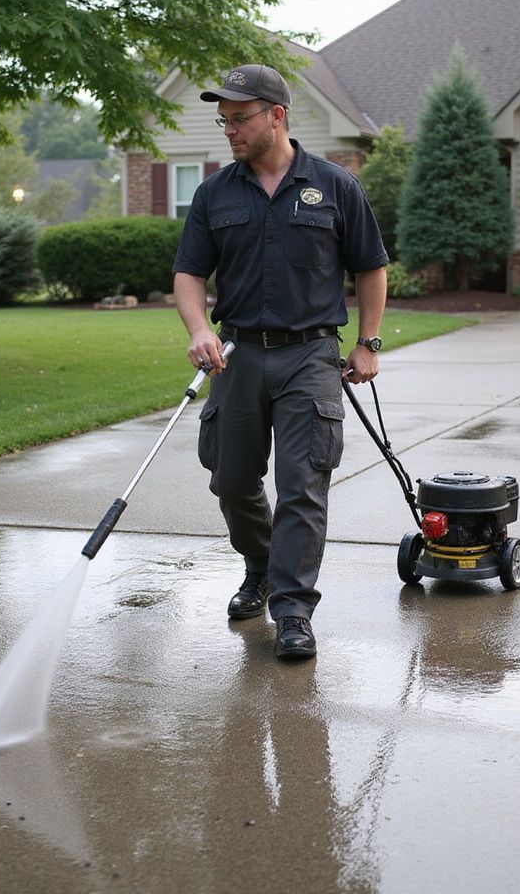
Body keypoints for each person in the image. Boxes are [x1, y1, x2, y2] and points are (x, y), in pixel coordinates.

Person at [172, 64, 389, 660]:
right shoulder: (214, 193)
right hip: (236, 356)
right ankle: (261, 566)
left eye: (239, 118)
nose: (230, 130)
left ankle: (293, 610)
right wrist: (198, 329)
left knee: (301, 485)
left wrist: (367, 343)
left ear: (277, 115)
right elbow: (189, 272)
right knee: (233, 479)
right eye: (224, 120)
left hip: (310, 356)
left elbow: (371, 265)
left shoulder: (335, 185)